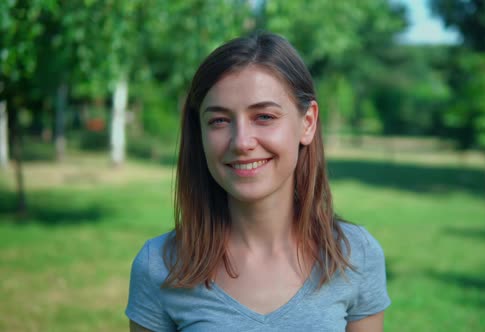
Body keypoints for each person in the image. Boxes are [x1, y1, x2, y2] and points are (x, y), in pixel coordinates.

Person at [126, 32, 390, 332]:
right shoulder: (159, 266)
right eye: (219, 121)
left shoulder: (355, 255)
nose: (241, 142)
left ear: (308, 123)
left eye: (264, 116)